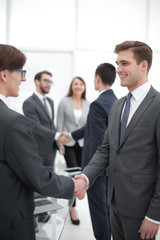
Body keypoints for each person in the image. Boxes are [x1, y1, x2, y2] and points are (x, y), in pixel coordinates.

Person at [0, 44, 87, 240]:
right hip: (9, 221)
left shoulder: (49, 102)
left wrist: (58, 141)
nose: (23, 78)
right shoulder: (13, 120)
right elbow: (38, 177)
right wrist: (72, 186)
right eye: (21, 72)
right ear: (4, 74)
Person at [75, 41, 160, 240]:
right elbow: (106, 149)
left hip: (142, 209)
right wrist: (85, 177)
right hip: (113, 203)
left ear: (143, 65)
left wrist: (155, 216)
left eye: (124, 63)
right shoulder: (118, 105)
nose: (118, 70)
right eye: (117, 64)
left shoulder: (158, 105)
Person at [71, 63, 117, 240]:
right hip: (111, 168)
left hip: (96, 170)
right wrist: (71, 135)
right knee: (107, 209)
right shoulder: (116, 102)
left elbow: (99, 142)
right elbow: (91, 128)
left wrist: (89, 172)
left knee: (99, 211)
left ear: (97, 78)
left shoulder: (98, 104)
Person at [23, 71, 67, 223]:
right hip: (37, 150)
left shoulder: (50, 102)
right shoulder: (29, 103)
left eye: (50, 82)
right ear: (37, 81)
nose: (49, 84)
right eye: (46, 81)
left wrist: (58, 142)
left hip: (51, 149)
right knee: (36, 183)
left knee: (47, 181)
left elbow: (51, 125)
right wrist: (57, 136)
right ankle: (34, 218)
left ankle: (42, 214)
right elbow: (35, 127)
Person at [57, 76, 90, 225]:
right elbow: (60, 123)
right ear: (72, 86)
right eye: (76, 84)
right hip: (68, 143)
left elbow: (89, 127)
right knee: (74, 174)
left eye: (81, 84)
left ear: (84, 87)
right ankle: (73, 208)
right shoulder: (64, 102)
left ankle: (72, 204)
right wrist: (60, 144)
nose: (78, 87)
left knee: (80, 173)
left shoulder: (88, 104)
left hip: (83, 144)